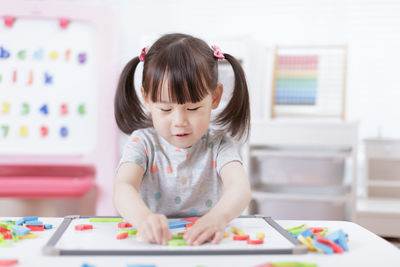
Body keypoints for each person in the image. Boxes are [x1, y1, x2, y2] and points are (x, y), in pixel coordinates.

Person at [113, 33, 251, 246]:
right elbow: (123, 187)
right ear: (147, 100)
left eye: (193, 108)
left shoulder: (219, 144)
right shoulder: (142, 143)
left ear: (214, 98)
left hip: (206, 243)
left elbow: (240, 187)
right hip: (156, 243)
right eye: (166, 109)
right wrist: (143, 219)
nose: (180, 121)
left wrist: (219, 218)